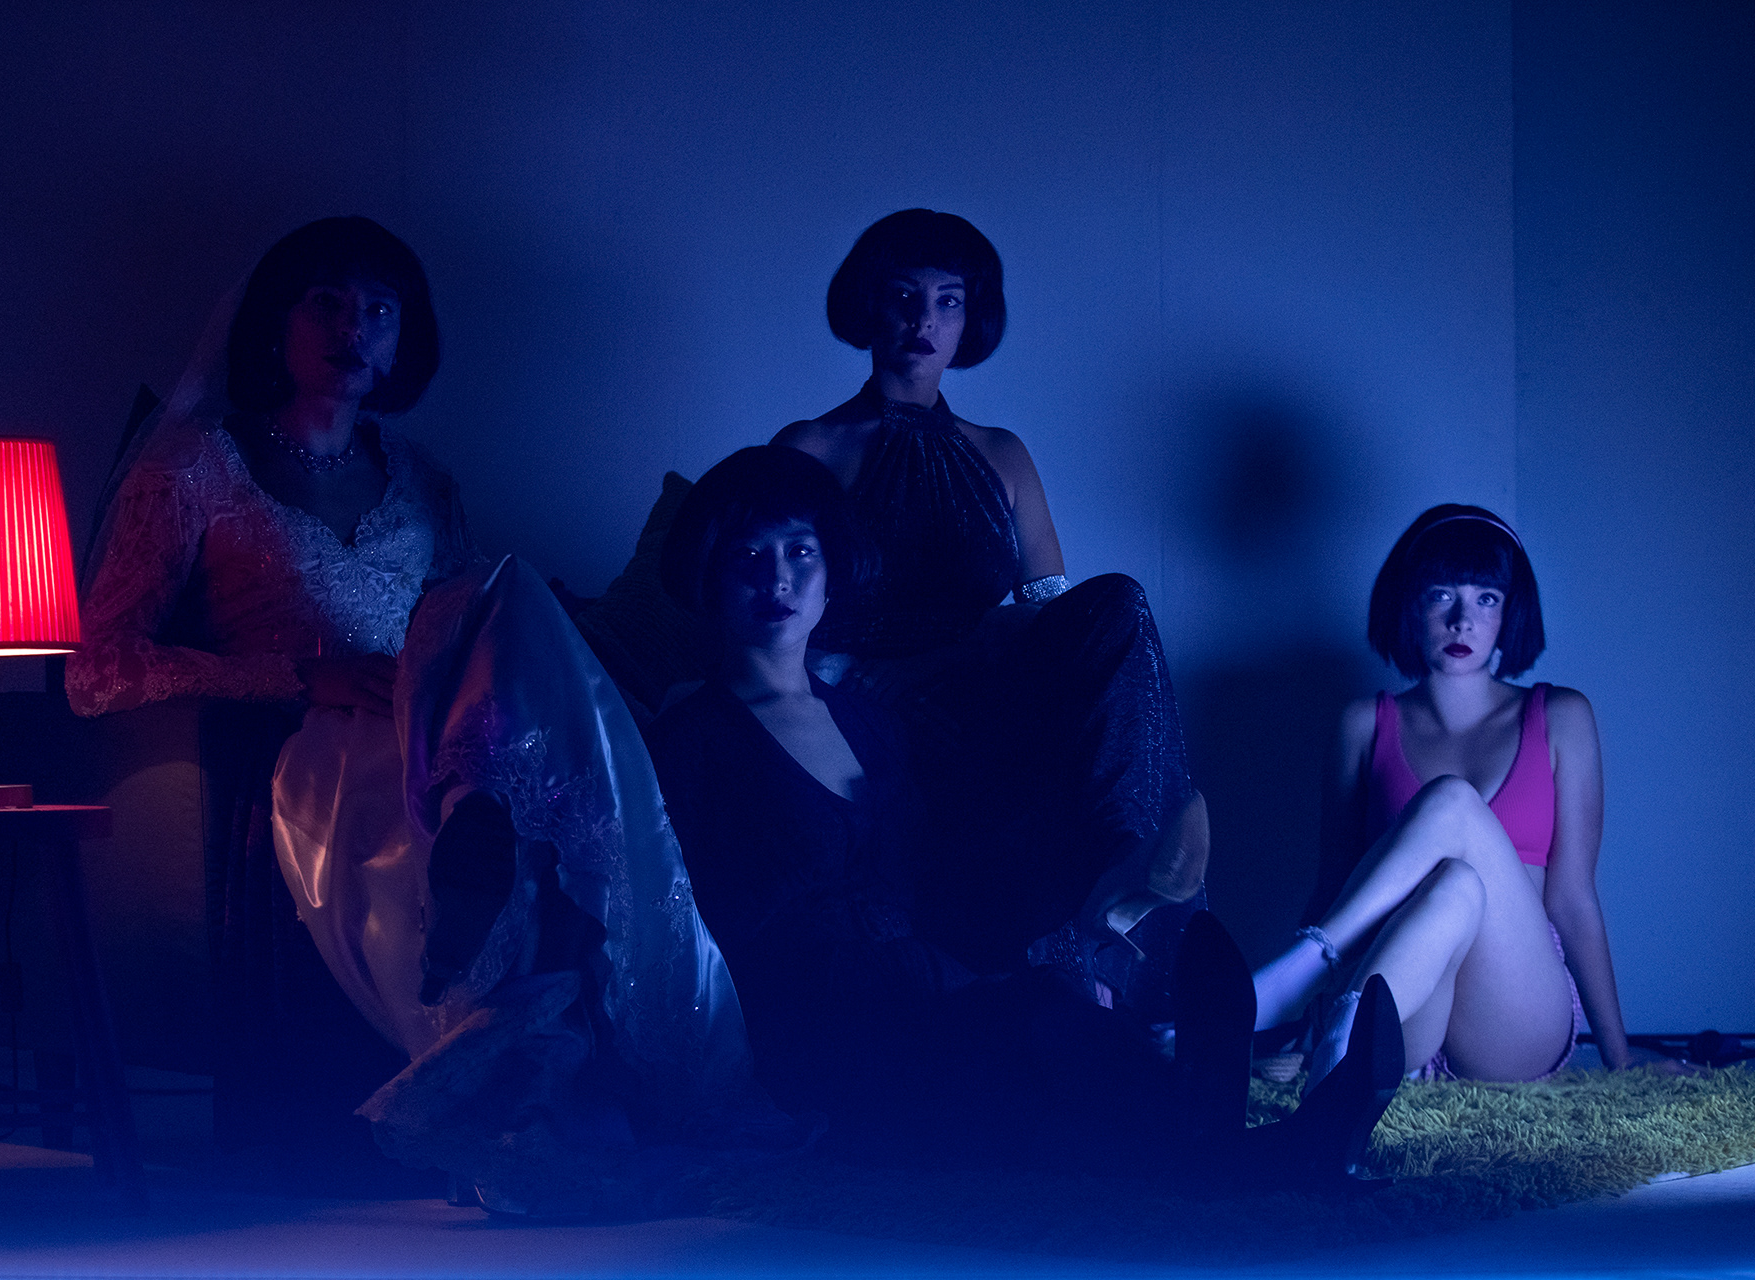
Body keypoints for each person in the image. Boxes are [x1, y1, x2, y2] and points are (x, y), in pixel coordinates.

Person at [71, 218, 781, 1212]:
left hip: (438, 723)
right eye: (327, 302)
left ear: (404, 339)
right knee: (488, 673)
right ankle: (494, 990)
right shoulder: (193, 471)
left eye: (379, 309)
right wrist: (298, 676)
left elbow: (467, 622)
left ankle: (506, 844)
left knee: (506, 595)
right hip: (313, 740)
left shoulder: (420, 475)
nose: (352, 327)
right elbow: (98, 669)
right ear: (276, 321)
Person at [645, 446, 1403, 1181]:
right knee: (1026, 1038)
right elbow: (679, 929)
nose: (777, 578)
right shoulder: (691, 737)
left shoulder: (868, 723)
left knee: (1046, 1020)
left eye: (800, 552)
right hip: (824, 1034)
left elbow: (935, 878)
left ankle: (1235, 1119)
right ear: (711, 576)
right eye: (749, 556)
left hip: (930, 990)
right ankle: (1266, 1140)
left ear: (830, 568)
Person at [771, 209, 1206, 1020]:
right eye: (904, 296)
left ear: (970, 318)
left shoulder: (1002, 454)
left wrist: (940, 663)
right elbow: (769, 607)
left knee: (1118, 601)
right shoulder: (811, 449)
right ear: (870, 304)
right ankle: (1110, 915)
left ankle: (1129, 866)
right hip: (858, 705)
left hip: (982, 691)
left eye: (948, 301)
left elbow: (1054, 620)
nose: (923, 321)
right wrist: (873, 680)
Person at [1253, 505, 1638, 1086]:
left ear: (1510, 612)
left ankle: (1301, 971)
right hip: (1404, 1001)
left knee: (1454, 803)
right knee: (1454, 884)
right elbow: (1335, 880)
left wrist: (1620, 1058)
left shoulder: (1561, 717)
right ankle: (1335, 1041)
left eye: (1486, 598)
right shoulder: (1364, 725)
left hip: (1516, 1012)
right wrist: (1308, 1026)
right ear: (1409, 605)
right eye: (1441, 596)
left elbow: (1573, 899)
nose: (1463, 620)